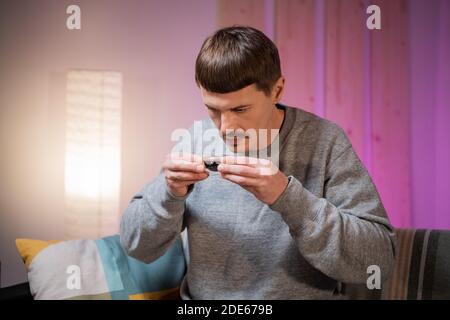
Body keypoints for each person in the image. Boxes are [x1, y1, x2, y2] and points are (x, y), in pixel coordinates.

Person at [120, 26, 396, 299]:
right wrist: (168, 195)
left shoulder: (325, 141)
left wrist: (287, 197)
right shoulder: (195, 139)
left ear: (277, 91)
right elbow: (137, 247)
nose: (226, 128)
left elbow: (378, 261)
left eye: (240, 109)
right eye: (213, 110)